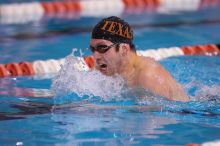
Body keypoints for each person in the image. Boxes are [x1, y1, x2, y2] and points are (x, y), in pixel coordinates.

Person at [89, 16, 189, 102]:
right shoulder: (103, 67)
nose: (96, 56)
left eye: (102, 48)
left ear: (123, 49)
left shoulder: (148, 75)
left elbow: (160, 114)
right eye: (92, 49)